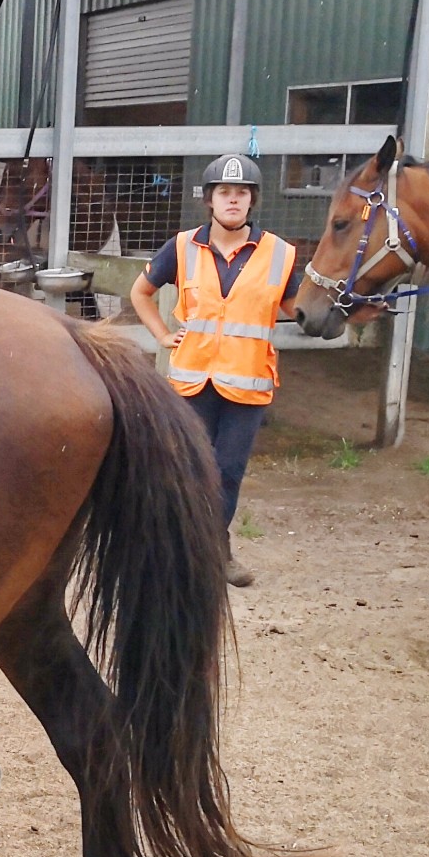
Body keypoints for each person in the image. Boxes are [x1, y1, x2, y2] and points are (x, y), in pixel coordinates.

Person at [129, 154, 303, 588]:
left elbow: (299, 310)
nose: (232, 200)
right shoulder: (183, 246)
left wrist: (346, 306)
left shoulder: (280, 254)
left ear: (251, 201)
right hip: (192, 379)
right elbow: (141, 292)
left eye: (241, 193)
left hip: (246, 384)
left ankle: (214, 549)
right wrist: (162, 335)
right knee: (186, 467)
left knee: (227, 470)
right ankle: (176, 548)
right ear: (209, 200)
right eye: (224, 192)